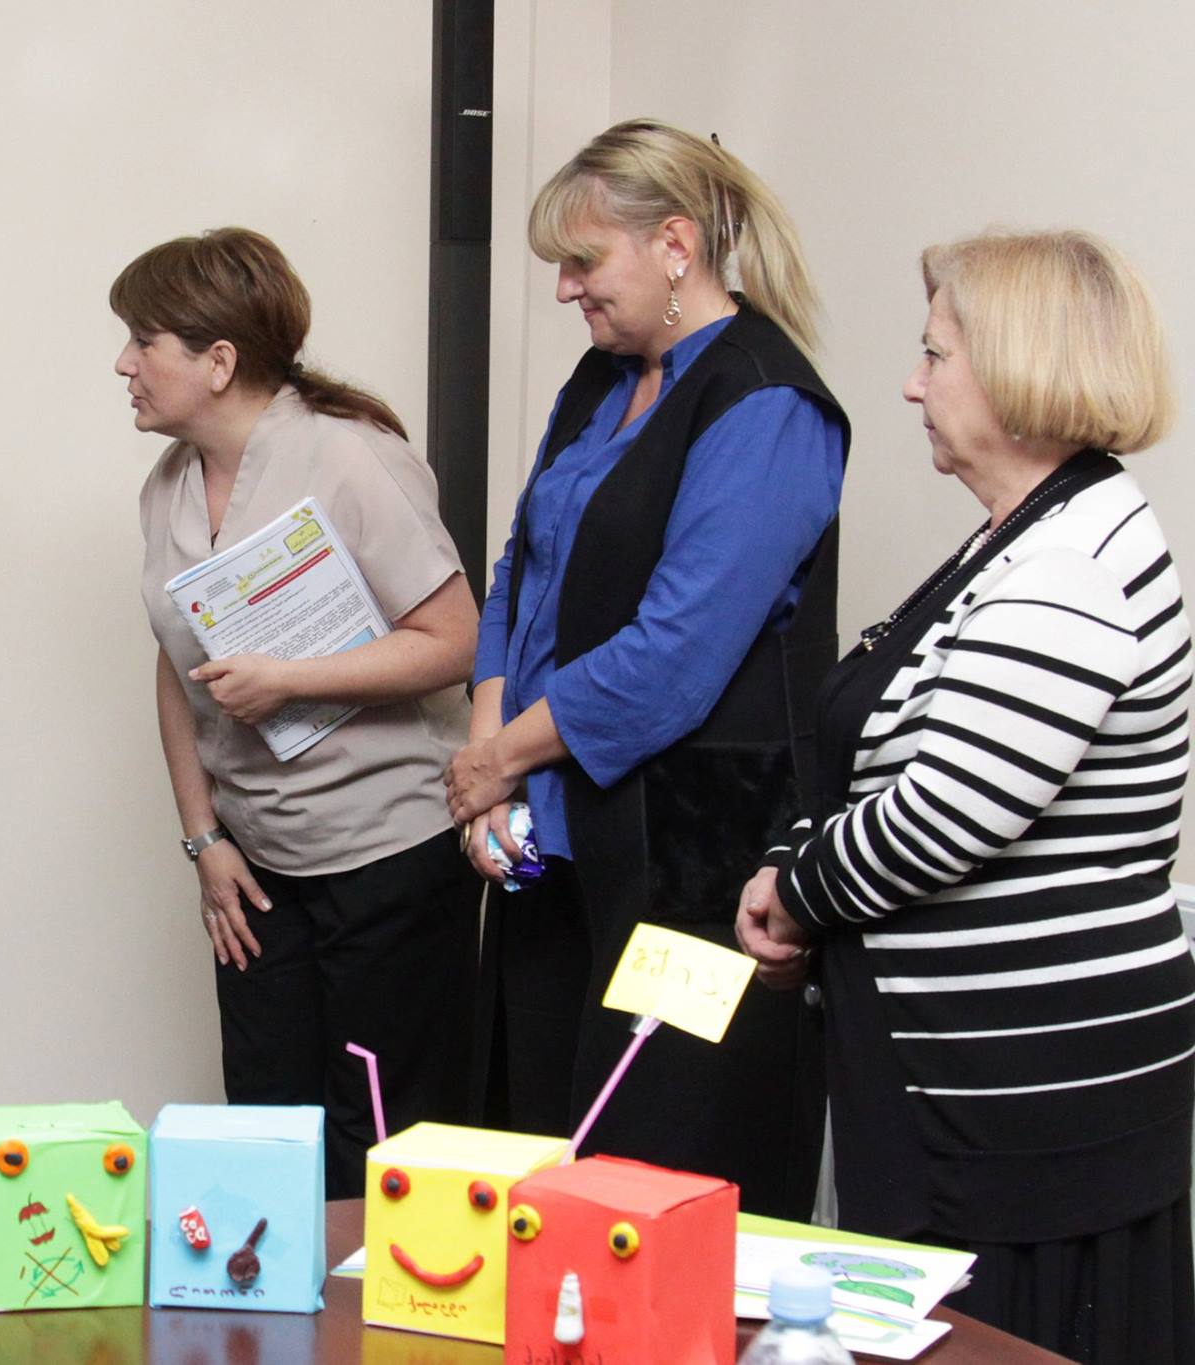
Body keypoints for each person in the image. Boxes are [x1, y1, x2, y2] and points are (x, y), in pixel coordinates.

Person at [737, 229, 1192, 1364]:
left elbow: (939, 819)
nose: (910, 384)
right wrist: (799, 855)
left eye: (935, 355)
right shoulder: (1024, 535)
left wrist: (796, 894)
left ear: (1022, 374)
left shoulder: (1066, 566)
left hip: (1019, 1110)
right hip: (971, 1087)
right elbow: (881, 745)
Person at [445, 119, 848, 1219]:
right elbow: (520, 571)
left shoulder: (767, 401)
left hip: (694, 865)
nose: (565, 289)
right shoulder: (600, 379)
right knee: (536, 1160)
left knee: (655, 1176)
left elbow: (674, 654)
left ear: (674, 245)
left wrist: (500, 758)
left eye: (583, 261)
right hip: (553, 845)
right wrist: (490, 761)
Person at [115, 227, 481, 1197]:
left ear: (218, 360)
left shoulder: (349, 459)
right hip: (256, 868)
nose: (123, 364)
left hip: (390, 857)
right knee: (264, 1139)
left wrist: (292, 679)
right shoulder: (166, 487)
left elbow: (457, 641)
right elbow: (177, 668)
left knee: (383, 1148)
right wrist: (204, 840)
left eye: (143, 341)